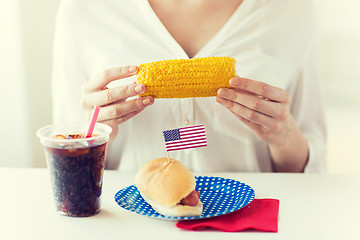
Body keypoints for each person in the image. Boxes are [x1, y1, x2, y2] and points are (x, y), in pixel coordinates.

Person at [51, 0, 327, 172]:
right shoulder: (84, 10)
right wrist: (95, 134)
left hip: (248, 223)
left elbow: (311, 171)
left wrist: (284, 136)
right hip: (130, 222)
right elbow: (67, 165)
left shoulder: (293, 10)